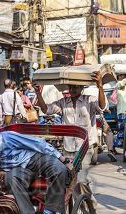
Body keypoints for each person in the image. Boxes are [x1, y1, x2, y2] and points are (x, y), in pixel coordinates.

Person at [35, 72, 107, 206]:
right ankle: (84, 207)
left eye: (75, 86)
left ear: (81, 87)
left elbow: (102, 107)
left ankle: (90, 205)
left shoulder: (89, 100)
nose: (72, 89)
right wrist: (38, 93)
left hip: (85, 147)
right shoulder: (63, 102)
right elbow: (46, 109)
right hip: (68, 148)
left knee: (82, 179)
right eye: (70, 86)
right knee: (71, 181)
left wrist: (100, 87)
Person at [0, 129, 69, 214]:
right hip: (17, 171)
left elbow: (37, 143)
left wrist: (62, 159)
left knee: (60, 169)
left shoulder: (7, 137)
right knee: (10, 178)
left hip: (33, 159)